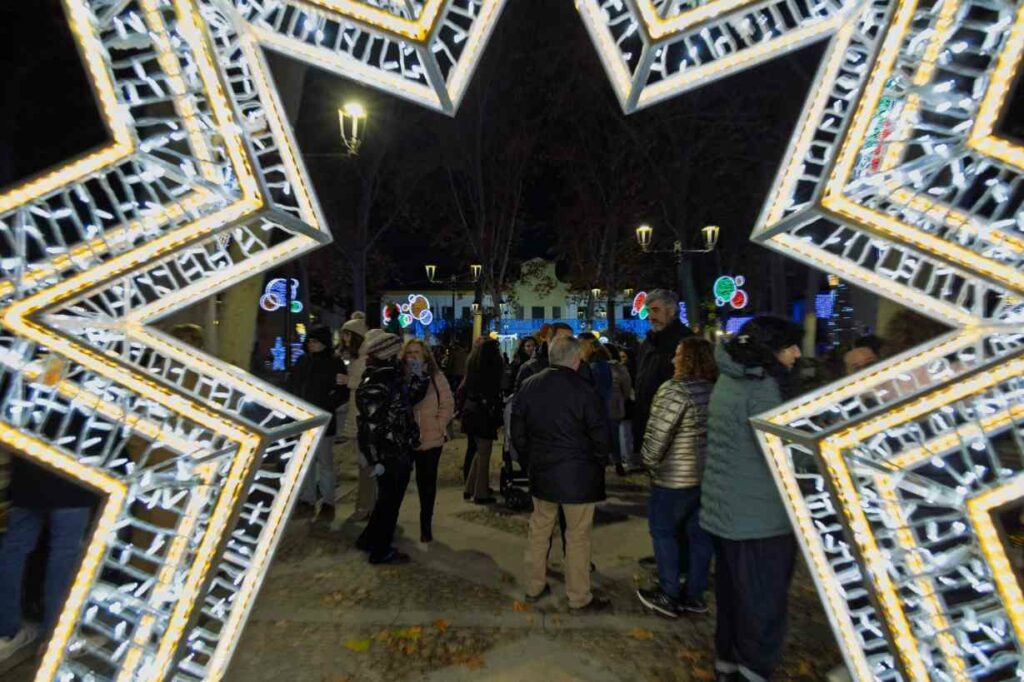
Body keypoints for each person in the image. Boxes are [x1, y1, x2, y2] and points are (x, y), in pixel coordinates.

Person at [701, 316, 804, 681]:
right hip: (760, 518)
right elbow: (782, 455)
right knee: (762, 603)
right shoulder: (762, 389)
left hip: (725, 511)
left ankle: (727, 664)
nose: (797, 353)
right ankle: (753, 672)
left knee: (732, 598)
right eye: (790, 346)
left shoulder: (730, 378)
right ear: (769, 350)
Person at [511, 336, 611, 612]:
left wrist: (529, 459)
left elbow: (517, 431)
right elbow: (600, 435)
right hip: (579, 474)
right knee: (578, 536)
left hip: (542, 471)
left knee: (539, 529)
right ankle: (578, 595)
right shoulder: (585, 390)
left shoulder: (530, 386)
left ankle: (534, 584)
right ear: (577, 359)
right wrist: (597, 463)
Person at [636, 337, 716, 618]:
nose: (672, 359)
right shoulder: (713, 389)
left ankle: (668, 593)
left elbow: (658, 436)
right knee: (699, 537)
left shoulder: (674, 391)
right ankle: (694, 594)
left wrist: (647, 462)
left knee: (663, 532)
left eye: (678, 354)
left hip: (673, 477)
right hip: (705, 477)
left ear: (689, 359)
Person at [0, 446, 95, 664]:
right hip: (72, 479)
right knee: (64, 556)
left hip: (28, 476)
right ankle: (56, 636)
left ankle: (6, 632)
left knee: (13, 552)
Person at [355, 333, 429, 564]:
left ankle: (369, 538)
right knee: (390, 503)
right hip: (390, 451)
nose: (402, 355)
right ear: (388, 353)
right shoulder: (379, 381)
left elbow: (409, 400)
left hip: (395, 447)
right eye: (397, 351)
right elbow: (371, 425)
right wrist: (375, 459)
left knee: (386, 500)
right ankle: (380, 549)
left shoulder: (388, 376)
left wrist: (418, 375)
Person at [287, 325, 349, 526]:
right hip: (303, 420)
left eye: (316, 341)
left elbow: (343, 391)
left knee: (325, 463)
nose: (312, 345)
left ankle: (328, 503)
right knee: (306, 464)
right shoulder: (303, 361)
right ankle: (307, 500)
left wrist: (326, 406)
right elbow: (293, 386)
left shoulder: (334, 363)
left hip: (322, 420)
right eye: (311, 341)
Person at [402, 339, 454, 543]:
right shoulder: (401, 377)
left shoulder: (436, 377)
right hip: (406, 438)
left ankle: (426, 526)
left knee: (427, 484)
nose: (413, 356)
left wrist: (439, 424)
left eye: (417, 352)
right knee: (399, 482)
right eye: (409, 352)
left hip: (431, 438)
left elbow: (448, 402)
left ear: (425, 355)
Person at [633, 289, 692, 450]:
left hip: (673, 426)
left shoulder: (687, 342)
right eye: (648, 310)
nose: (651, 316)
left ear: (671, 311)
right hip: (649, 422)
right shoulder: (648, 343)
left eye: (655, 310)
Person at [460, 339, 505, 504]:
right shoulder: (491, 370)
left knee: (479, 452)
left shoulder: (473, 364)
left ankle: (470, 487)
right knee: (484, 453)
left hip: (472, 411)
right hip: (484, 414)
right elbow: (495, 389)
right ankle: (480, 493)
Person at [515, 322, 574, 391]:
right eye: (561, 339)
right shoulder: (530, 367)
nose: (566, 344)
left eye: (570, 340)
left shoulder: (578, 365)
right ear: (548, 339)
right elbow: (521, 397)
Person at [606, 344, 635, 471]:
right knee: (615, 435)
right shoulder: (619, 369)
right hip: (615, 406)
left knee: (614, 434)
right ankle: (616, 461)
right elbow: (626, 389)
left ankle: (615, 460)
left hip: (610, 407)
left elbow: (626, 389)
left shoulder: (615, 368)